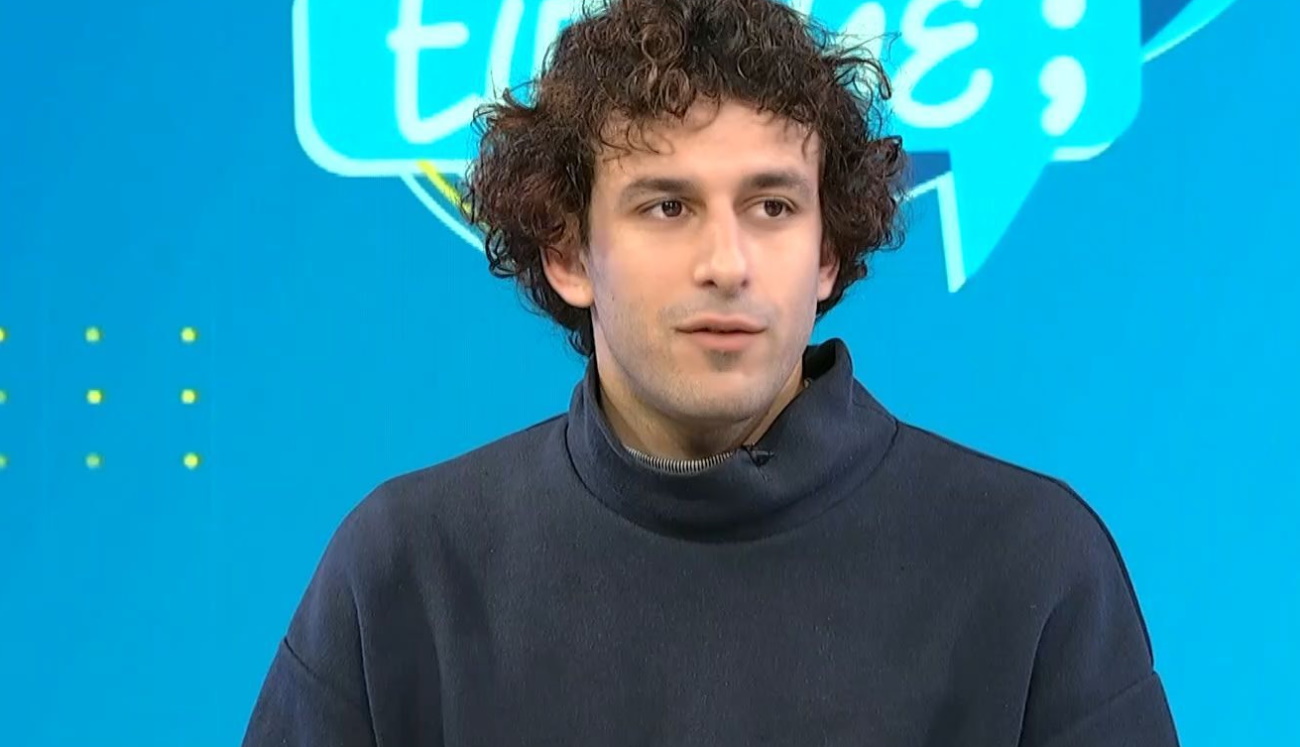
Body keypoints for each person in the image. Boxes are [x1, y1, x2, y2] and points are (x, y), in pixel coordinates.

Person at [242, 0, 1179, 744]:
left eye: (772, 206)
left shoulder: (1031, 562)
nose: (727, 262)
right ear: (568, 251)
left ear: (826, 254)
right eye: (667, 207)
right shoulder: (406, 569)